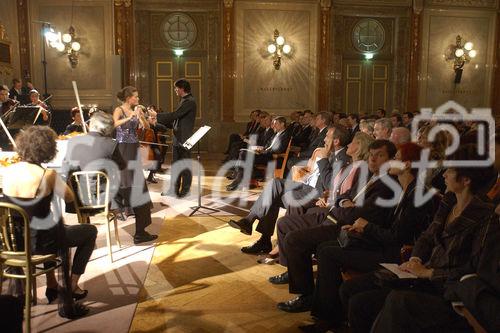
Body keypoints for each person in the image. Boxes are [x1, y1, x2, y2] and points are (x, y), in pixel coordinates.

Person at [342, 144, 496, 333]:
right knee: (357, 300)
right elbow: (427, 236)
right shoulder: (449, 201)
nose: (444, 175)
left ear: (466, 180)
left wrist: (428, 273)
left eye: (450, 169)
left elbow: (475, 270)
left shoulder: (487, 217)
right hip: (424, 276)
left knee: (395, 301)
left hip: (450, 292)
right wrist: (415, 259)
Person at [299, 142, 436, 332]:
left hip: (394, 255)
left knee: (329, 254)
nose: (391, 162)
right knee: (325, 248)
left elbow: (397, 237)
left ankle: (328, 319)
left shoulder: (416, 194)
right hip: (383, 245)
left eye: (395, 158)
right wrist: (361, 228)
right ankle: (328, 315)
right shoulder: (406, 189)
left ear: (407, 165)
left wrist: (367, 227)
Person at [271, 140, 398, 312]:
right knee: (285, 222)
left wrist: (340, 208)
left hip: (345, 227)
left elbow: (360, 215)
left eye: (380, 155)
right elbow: (344, 195)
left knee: (295, 239)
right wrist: (344, 201)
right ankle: (294, 274)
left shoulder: (386, 186)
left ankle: (306, 295)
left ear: (391, 159)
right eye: (371, 155)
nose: (373, 159)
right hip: (334, 216)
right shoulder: (371, 176)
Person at [2, 126, 97, 318]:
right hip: (41, 243)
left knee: (50, 226)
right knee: (89, 231)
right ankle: (71, 287)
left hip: (15, 243)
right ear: (47, 149)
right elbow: (70, 198)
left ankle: (52, 284)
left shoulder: (8, 172)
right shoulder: (47, 175)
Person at [227, 125, 350, 253]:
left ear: (336, 141)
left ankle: (260, 234)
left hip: (317, 193)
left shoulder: (343, 158)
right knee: (274, 186)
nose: (324, 139)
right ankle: (255, 227)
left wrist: (324, 159)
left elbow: (329, 184)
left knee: (275, 194)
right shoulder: (329, 152)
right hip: (307, 186)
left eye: (327, 136)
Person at [63, 111, 158, 244]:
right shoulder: (111, 144)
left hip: (80, 200)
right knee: (139, 189)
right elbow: (122, 166)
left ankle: (86, 232)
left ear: (91, 125)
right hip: (104, 200)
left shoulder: (73, 143)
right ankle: (140, 234)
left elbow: (66, 169)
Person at [226, 116, 291, 191]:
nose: (273, 126)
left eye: (275, 124)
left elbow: (279, 149)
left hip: (273, 158)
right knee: (243, 152)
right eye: (273, 123)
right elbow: (268, 145)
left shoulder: (286, 135)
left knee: (244, 154)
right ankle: (243, 179)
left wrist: (264, 151)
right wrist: (261, 148)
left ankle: (241, 179)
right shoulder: (276, 133)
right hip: (266, 155)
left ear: (282, 124)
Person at [113, 86, 150, 217]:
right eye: (136, 96)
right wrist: (129, 118)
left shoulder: (136, 110)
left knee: (136, 174)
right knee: (125, 176)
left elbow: (146, 127)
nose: (138, 98)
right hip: (123, 146)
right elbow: (114, 124)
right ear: (129, 98)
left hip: (134, 145)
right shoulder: (119, 109)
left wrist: (142, 117)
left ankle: (138, 204)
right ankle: (126, 206)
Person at [157, 78, 196, 198]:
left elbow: (175, 115)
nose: (175, 90)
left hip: (185, 139)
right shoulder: (184, 100)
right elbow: (176, 121)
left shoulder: (190, 101)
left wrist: (157, 115)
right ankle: (173, 190)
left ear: (181, 89)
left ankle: (185, 191)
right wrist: (157, 121)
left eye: (176, 88)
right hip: (177, 138)